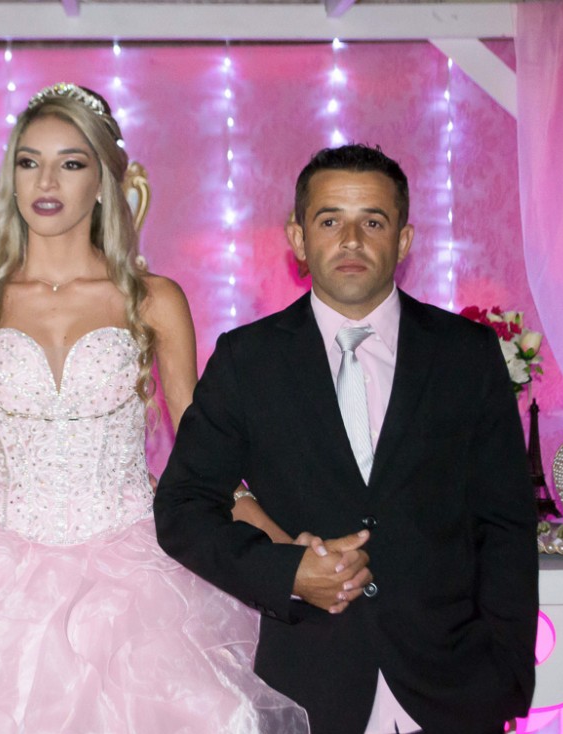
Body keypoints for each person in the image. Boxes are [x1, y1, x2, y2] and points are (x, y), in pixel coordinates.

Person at [0, 83, 309, 733]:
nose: (45, 181)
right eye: (29, 161)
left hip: (136, 574)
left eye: (71, 162)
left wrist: (278, 543)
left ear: (105, 181)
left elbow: (202, 451)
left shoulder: (153, 299)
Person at [154, 144, 539, 734]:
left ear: (404, 241)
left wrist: (507, 672)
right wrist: (287, 572)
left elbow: (506, 522)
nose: (351, 240)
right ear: (298, 237)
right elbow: (182, 508)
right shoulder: (248, 359)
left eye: (373, 222)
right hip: (309, 683)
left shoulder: (466, 354)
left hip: (455, 686)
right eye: (330, 221)